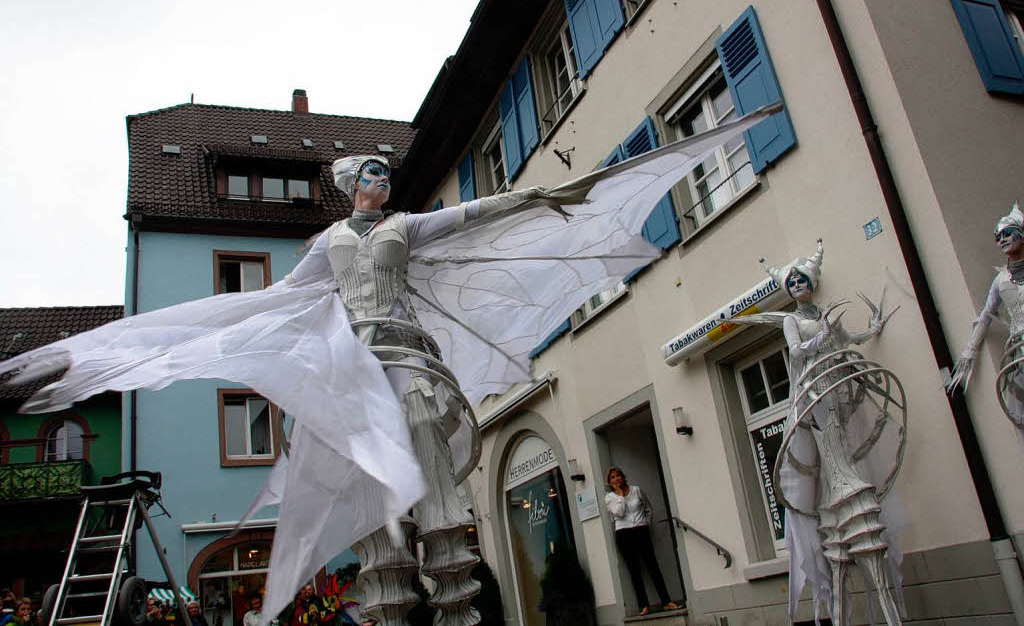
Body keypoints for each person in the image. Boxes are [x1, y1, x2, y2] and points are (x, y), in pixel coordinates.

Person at [0, 108, 775, 625]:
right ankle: (385, 594)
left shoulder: (408, 227)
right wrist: (174, 334)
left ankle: (462, 605)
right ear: (349, 189)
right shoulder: (325, 248)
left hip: (411, 359)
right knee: (373, 506)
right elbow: (267, 303)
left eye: (384, 174)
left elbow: (475, 213)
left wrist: (544, 194)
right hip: (357, 371)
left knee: (437, 483)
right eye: (373, 175)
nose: (384, 181)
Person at [738, 240, 903, 624]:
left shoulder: (827, 314)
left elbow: (847, 340)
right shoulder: (792, 320)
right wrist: (821, 337)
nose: (796, 284)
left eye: (801, 279)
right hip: (814, 394)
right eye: (791, 281)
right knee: (828, 447)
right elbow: (796, 353)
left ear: (811, 282)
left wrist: (870, 331)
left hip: (837, 393)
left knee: (844, 441)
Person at [950, 203, 1024, 432]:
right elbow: (985, 316)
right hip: (1020, 349)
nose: (1002, 239)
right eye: (997, 236)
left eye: (1007, 233)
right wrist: (969, 350)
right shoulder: (1001, 281)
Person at [604, 467, 678, 615]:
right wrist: (619, 495)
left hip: (641, 531)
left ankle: (666, 601)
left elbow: (648, 508)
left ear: (623, 477)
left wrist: (646, 523)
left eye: (618, 475)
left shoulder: (637, 490)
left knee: (653, 566)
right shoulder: (609, 498)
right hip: (624, 534)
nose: (617, 479)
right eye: (613, 477)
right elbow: (619, 512)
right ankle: (643, 605)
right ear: (609, 482)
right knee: (634, 570)